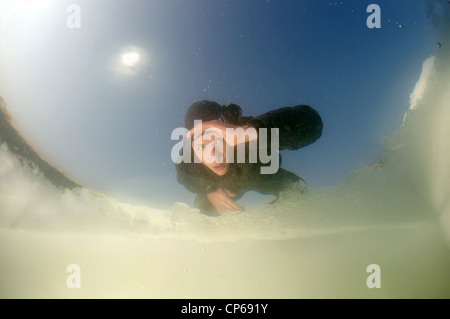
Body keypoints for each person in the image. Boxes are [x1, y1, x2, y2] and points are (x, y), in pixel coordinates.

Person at [176, 100, 323, 216]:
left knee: (299, 192)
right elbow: (183, 173)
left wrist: (249, 132)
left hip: (261, 174)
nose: (214, 156)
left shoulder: (245, 131)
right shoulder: (189, 157)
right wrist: (209, 189)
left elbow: (312, 123)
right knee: (203, 208)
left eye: (220, 141)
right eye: (202, 147)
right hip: (227, 186)